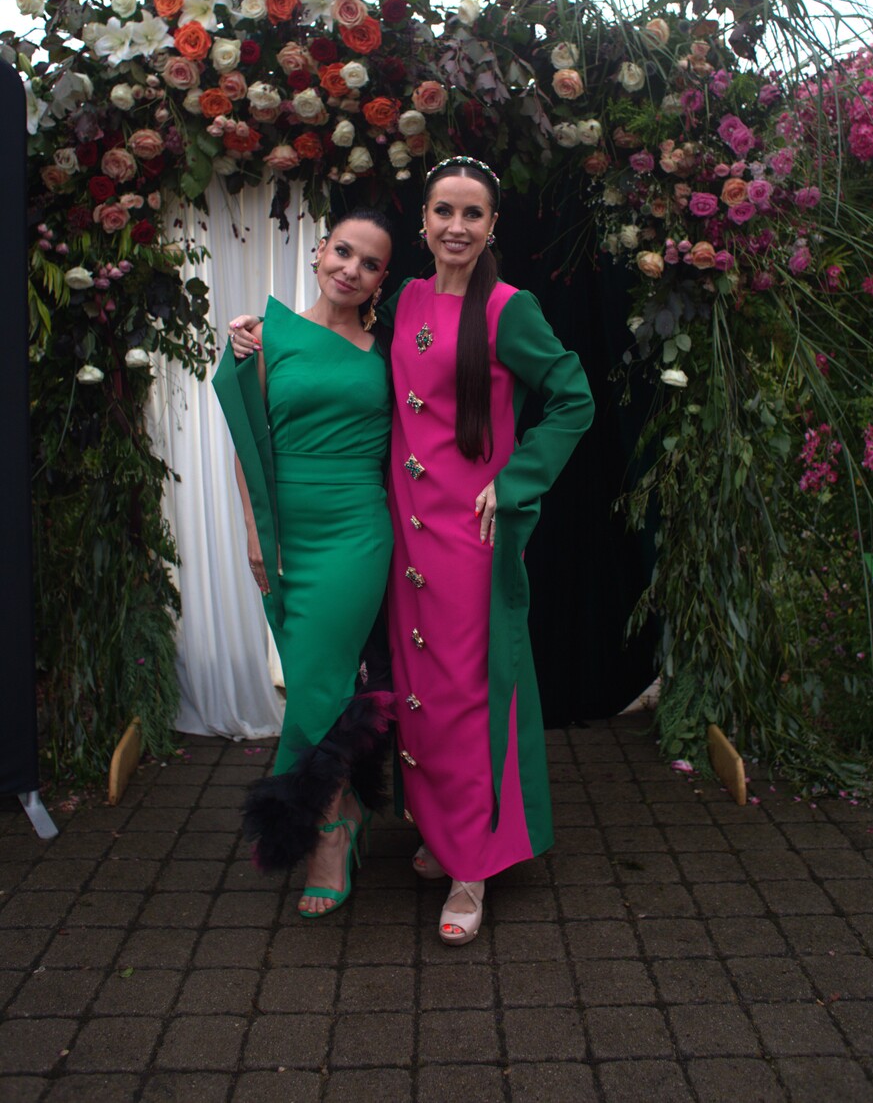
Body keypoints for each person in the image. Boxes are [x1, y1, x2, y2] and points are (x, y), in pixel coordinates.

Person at [232, 156, 594, 945]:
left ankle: (473, 866)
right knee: (418, 693)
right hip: (400, 535)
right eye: (443, 212)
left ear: (492, 227)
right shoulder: (405, 303)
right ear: (424, 223)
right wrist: (264, 335)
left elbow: (574, 397)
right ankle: (439, 832)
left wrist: (516, 480)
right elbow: (342, 347)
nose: (456, 226)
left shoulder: (509, 309)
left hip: (469, 536)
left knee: (467, 696)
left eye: (472, 214)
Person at [214, 208, 396, 918]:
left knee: (320, 681)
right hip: (286, 532)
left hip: (356, 532)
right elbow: (248, 443)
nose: (351, 269)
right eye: (343, 252)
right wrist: (257, 534)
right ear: (318, 251)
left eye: (370, 263)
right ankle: (345, 805)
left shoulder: (389, 350)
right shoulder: (269, 335)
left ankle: (323, 833)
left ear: (382, 279)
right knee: (316, 679)